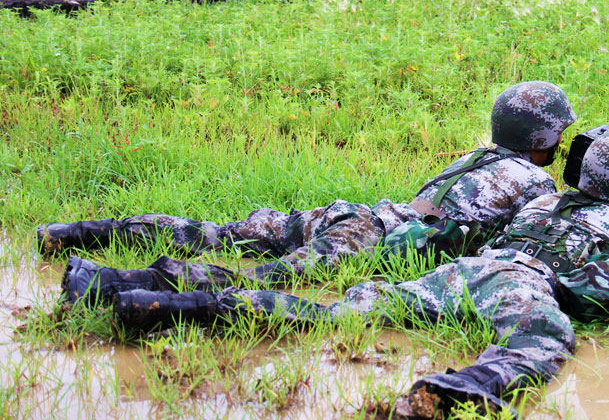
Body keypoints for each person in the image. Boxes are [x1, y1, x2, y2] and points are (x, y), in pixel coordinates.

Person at [107, 128, 609, 419]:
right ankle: (467, 388)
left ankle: (180, 304)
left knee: (341, 311)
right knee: (542, 341)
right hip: (522, 287)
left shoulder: (543, 203)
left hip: (466, 271)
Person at [51, 81, 578, 305]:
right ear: (543, 138)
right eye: (557, 134)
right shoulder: (534, 182)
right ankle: (107, 285)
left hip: (358, 216)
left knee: (226, 234)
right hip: (368, 241)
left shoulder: (472, 157)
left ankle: (77, 234)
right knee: (249, 280)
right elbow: (514, 250)